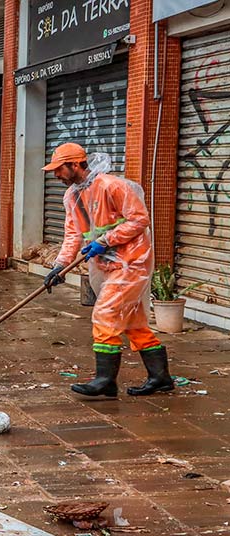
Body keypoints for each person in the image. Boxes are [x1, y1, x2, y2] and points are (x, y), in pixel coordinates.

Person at [43, 143, 173, 397]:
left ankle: (105, 380)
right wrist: (59, 266)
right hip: (107, 264)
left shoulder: (113, 185)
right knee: (132, 322)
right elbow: (73, 235)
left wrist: (104, 241)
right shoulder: (72, 196)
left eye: (59, 169)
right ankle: (161, 377)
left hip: (132, 262)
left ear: (76, 164)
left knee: (105, 314)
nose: (56, 175)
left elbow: (140, 220)